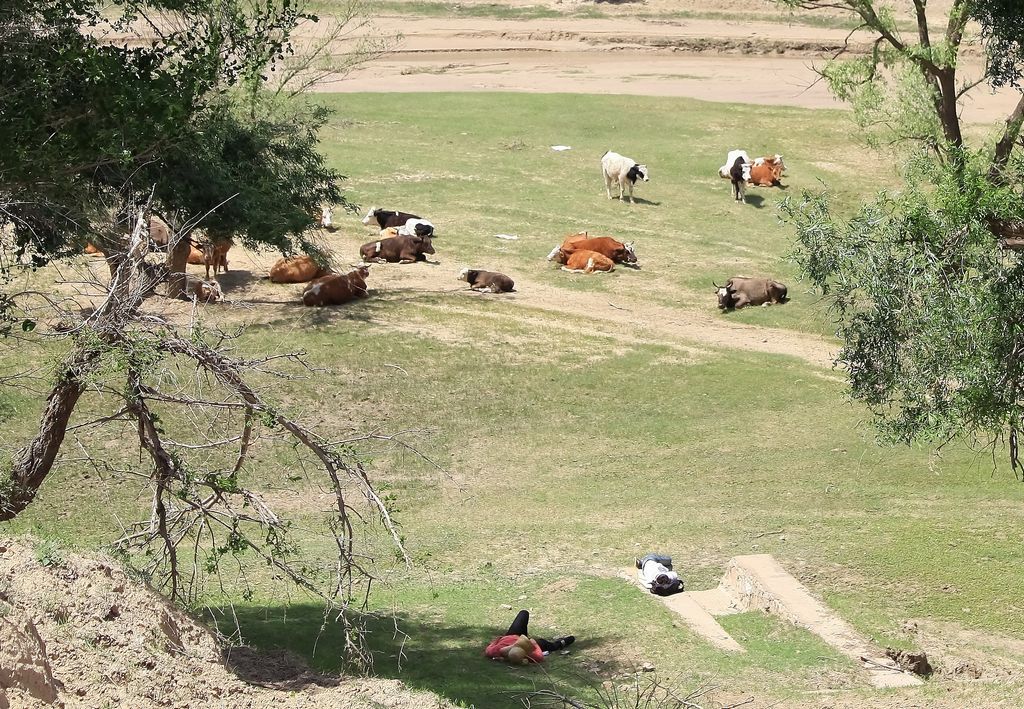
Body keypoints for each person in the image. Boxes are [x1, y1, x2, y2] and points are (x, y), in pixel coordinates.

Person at [484, 610, 575, 664]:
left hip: (513, 635)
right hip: (526, 643)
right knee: (547, 645)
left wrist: (501, 639)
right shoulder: (529, 654)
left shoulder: (493, 651)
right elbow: (539, 657)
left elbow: (493, 643)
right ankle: (562, 643)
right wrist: (531, 642)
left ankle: (562, 642)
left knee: (524, 613)